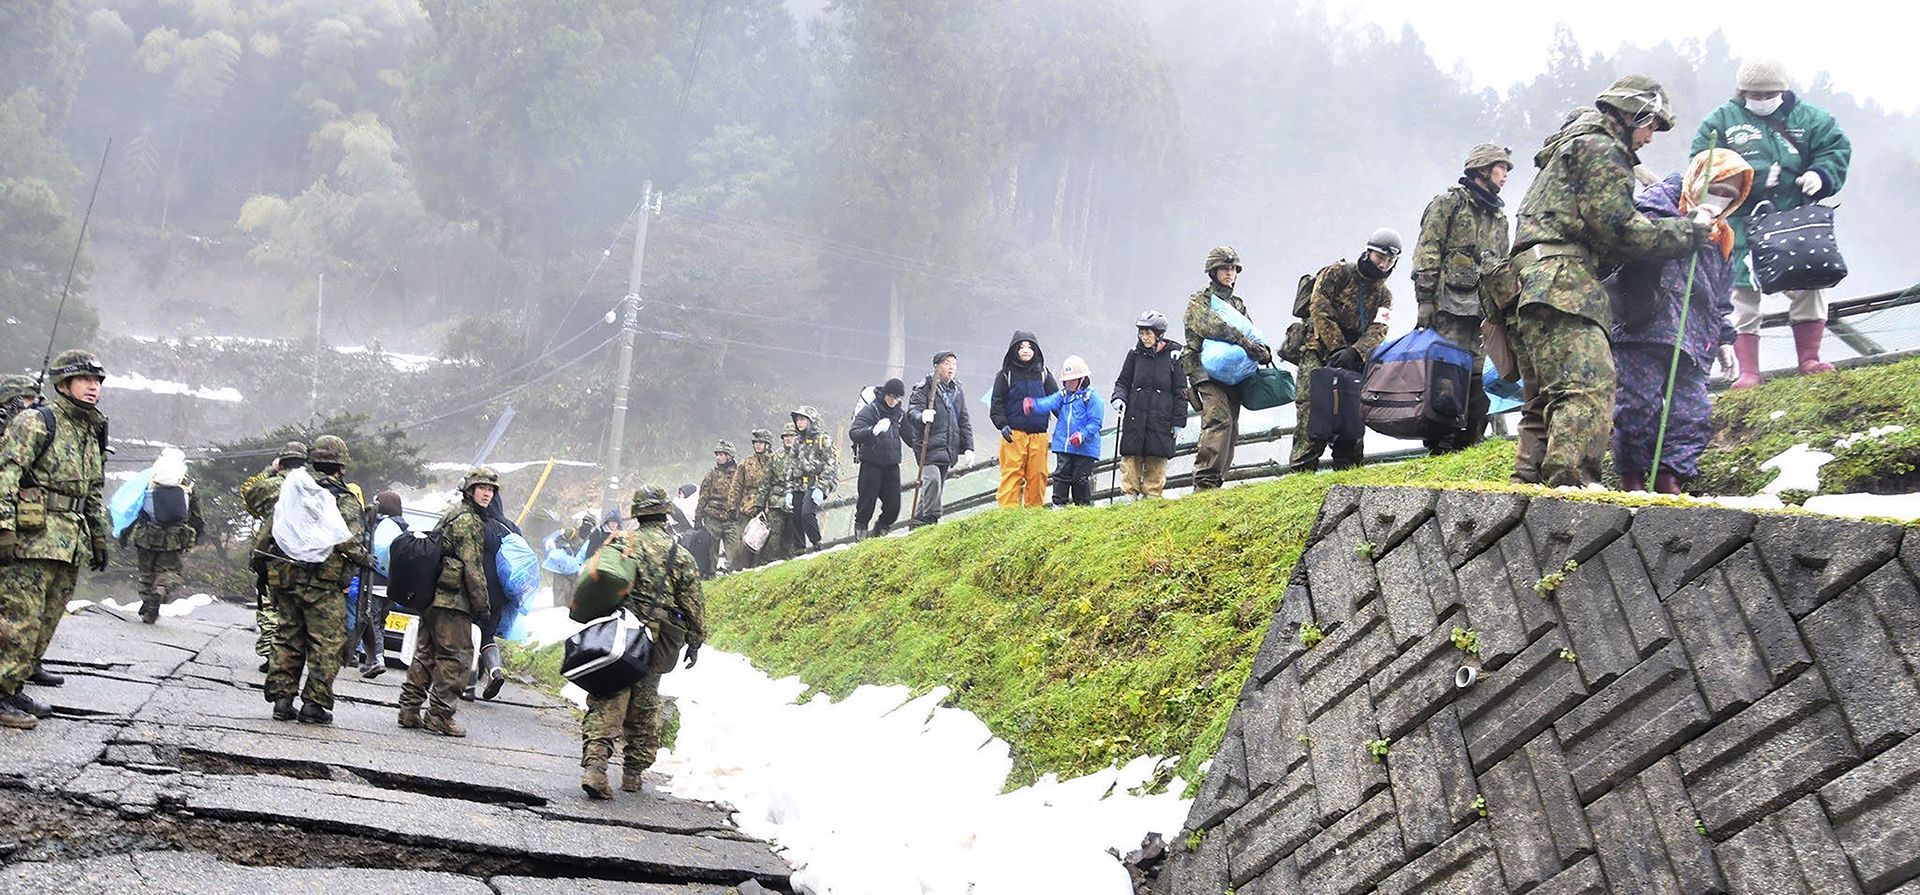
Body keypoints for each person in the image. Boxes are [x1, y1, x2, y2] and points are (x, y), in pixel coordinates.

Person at [1508, 75, 1703, 486]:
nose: (1650, 138)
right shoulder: (1602, 149)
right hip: (1565, 284)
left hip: (1532, 283)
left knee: (1548, 396)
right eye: (1651, 126)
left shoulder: (1567, 150)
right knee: (1587, 388)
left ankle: (1530, 488)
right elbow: (1621, 229)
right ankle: (1571, 488)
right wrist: (1688, 233)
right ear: (1637, 113)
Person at [1693, 58, 1853, 387]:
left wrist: (1820, 175)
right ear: (1742, 91)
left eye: (1769, 94)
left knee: (1810, 284)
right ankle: (1748, 370)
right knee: (1741, 294)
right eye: (1755, 94)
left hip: (1796, 219)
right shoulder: (1721, 121)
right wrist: (1739, 182)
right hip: (1739, 223)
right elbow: (1701, 161)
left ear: (1783, 90)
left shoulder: (1811, 119)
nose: (1762, 99)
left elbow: (1835, 148)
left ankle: (1809, 358)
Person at [1613, 150, 1753, 494]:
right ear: (1698, 179)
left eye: (1730, 196)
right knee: (1637, 406)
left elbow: (1722, 292)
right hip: (1643, 327)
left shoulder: (1723, 237)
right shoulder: (1654, 207)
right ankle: (1632, 479)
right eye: (1717, 188)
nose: (1721, 200)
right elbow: (1633, 246)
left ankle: (1669, 478)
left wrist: (1724, 338)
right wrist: (1686, 227)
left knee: (1692, 413)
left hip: (1695, 339)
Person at [0, 350, 110, 730]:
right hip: (32, 538)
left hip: (68, 540)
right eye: (85, 380)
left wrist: (98, 537)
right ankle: (1, 692)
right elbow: (6, 473)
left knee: (46, 621)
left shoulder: (89, 430)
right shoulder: (36, 421)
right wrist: (3, 527)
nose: (93, 387)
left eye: (97, 381)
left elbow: (93, 489)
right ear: (64, 385)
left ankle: (12, 687)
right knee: (18, 620)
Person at [580, 484, 706, 800]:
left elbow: (597, 580)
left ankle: (595, 767)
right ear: (665, 514)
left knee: (609, 695)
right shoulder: (681, 554)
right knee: (646, 702)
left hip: (622, 631)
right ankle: (633, 774)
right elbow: (692, 602)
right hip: (658, 636)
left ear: (637, 513)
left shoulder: (623, 542)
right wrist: (695, 638)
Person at [262, 434, 368, 725]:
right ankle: (314, 705)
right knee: (326, 642)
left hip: (285, 577)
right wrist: (364, 558)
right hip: (323, 583)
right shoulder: (342, 498)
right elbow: (348, 539)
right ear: (341, 466)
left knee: (288, 636)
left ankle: (282, 701)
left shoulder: (294, 487)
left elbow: (270, 528)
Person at [1414, 143, 1513, 454]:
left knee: (1480, 377)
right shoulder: (1448, 204)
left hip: (1485, 312)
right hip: (1448, 308)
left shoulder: (1500, 218)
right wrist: (1424, 300)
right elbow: (1428, 251)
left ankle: (1469, 441)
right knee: (1446, 375)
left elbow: (1503, 264)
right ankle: (1439, 442)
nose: (1506, 174)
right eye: (1502, 167)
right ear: (1484, 169)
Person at [1292, 231, 1401, 472]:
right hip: (1318, 351)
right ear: (1368, 252)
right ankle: (1301, 472)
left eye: (1389, 261)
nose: (1383, 264)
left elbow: (1379, 329)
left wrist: (1356, 352)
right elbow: (1319, 307)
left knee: (1351, 420)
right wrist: (1337, 346)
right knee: (1312, 414)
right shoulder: (1337, 273)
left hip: (1353, 362)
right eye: (1380, 257)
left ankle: (1348, 474)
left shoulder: (1385, 296)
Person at [398, 467, 493, 737]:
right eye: (482, 487)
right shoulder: (469, 520)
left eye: (491, 489)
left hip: (432, 597)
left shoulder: (452, 513)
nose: (487, 493)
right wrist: (482, 605)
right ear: (470, 490)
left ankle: (409, 709)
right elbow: (472, 567)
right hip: (452, 601)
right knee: (457, 658)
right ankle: (439, 715)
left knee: (426, 654)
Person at [1181, 247, 1271, 490]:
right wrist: (1243, 341)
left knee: (1231, 424)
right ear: (1213, 271)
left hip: (1234, 374)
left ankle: (1217, 479)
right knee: (1218, 420)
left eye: (1233, 269)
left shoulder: (1237, 304)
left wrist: (1263, 351)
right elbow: (1210, 326)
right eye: (1225, 268)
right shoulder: (1200, 301)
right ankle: (1205, 480)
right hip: (1204, 370)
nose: (1230, 273)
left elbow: (1252, 331)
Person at [241, 441, 307, 671]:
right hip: (305, 556)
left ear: (282, 462)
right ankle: (289, 654)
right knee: (295, 608)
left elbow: (248, 495)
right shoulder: (312, 486)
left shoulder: (270, 485)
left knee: (270, 604)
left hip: (271, 552)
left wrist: (271, 470)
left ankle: (271, 652)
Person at [124, 448, 204, 624]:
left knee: (146, 572)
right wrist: (196, 536)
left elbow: (133, 509)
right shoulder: (187, 485)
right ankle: (160, 590)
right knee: (169, 571)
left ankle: (148, 606)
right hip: (174, 538)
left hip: (147, 535)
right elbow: (196, 516)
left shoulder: (149, 481)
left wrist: (124, 534)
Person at [1111, 311, 1186, 498]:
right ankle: (1129, 495)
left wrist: (1178, 421)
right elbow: (1123, 382)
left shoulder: (1174, 357)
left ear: (1159, 334)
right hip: (1135, 416)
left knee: (1157, 459)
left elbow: (1181, 391)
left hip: (1161, 418)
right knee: (1131, 458)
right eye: (1141, 333)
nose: (1144, 337)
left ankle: (1152, 497)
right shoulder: (1134, 355)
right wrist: (1118, 398)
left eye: (1148, 333)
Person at [902, 351, 974, 525]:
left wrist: (969, 447)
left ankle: (918, 522)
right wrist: (922, 416)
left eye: (954, 364)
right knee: (932, 480)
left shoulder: (957, 390)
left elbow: (964, 420)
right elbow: (912, 412)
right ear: (937, 366)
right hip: (928, 445)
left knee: (935, 487)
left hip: (949, 446)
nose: (951, 368)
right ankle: (932, 519)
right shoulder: (925, 387)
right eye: (947, 363)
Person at [988, 332, 1058, 508]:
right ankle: (1008, 515)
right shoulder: (1005, 375)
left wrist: (1068, 422)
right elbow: (997, 403)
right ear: (1014, 350)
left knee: (1038, 475)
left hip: (1039, 435)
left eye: (1029, 346)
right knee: (1012, 474)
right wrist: (1002, 425)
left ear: (1035, 350)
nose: (1025, 350)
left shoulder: (1044, 374)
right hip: (1014, 434)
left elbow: (1056, 400)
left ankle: (1033, 513)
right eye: (1021, 347)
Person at [1027, 355, 1104, 506]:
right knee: (1061, 475)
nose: (1069, 383)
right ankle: (1059, 505)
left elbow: (1095, 423)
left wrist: (1082, 435)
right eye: (1067, 380)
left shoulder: (1093, 398)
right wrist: (1033, 405)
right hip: (1064, 445)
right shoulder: (1063, 395)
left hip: (1085, 449)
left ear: (1082, 379)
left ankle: (1082, 508)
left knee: (1080, 479)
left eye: (1072, 380)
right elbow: (1049, 402)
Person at [356, 489, 408, 677]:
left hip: (374, 582)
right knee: (380, 624)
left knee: (370, 621)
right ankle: (371, 661)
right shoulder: (401, 526)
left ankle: (377, 659)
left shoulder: (383, 525)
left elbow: (370, 548)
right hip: (392, 585)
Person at [849, 378, 908, 538]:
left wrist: (924, 427)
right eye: (890, 396)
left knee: (893, 505)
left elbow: (912, 437)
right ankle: (860, 537)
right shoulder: (871, 410)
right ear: (885, 394)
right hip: (871, 463)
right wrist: (872, 430)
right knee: (866, 504)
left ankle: (879, 532)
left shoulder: (900, 415)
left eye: (897, 398)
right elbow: (854, 432)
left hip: (892, 464)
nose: (893, 401)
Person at [785, 406, 838, 552]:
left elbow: (831, 465)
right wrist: (788, 490)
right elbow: (791, 467)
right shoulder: (797, 442)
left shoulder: (823, 440)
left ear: (811, 421)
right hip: (799, 484)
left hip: (817, 483)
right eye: (797, 420)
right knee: (795, 516)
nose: (799, 423)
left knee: (807, 513)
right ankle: (799, 549)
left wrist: (821, 487)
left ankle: (816, 544)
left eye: (802, 419)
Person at [696, 440, 745, 571]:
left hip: (732, 518)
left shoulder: (739, 474)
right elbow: (703, 497)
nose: (718, 457)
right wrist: (698, 517)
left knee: (735, 552)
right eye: (717, 454)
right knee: (711, 553)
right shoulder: (711, 474)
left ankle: (731, 574)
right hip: (712, 517)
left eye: (722, 454)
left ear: (729, 456)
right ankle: (710, 574)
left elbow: (743, 493)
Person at [737, 429, 778, 566]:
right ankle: (742, 569)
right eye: (756, 443)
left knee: (765, 544)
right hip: (747, 508)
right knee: (744, 543)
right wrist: (732, 506)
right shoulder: (746, 463)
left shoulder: (776, 460)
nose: (758, 445)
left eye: (761, 442)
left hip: (768, 506)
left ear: (768, 444)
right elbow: (736, 485)